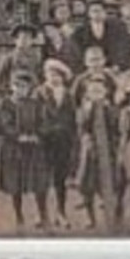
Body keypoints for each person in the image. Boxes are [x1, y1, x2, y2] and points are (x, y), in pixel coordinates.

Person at [0, 69, 52, 230]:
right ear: (12, 87)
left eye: (24, 86)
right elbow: (4, 124)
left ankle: (43, 216)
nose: (20, 89)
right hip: (14, 150)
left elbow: (44, 122)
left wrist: (39, 135)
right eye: (17, 85)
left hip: (35, 148)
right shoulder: (7, 104)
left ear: (30, 88)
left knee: (39, 184)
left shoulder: (37, 104)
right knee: (16, 184)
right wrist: (17, 136)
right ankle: (19, 217)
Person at [73, 70, 122, 229]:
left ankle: (111, 215)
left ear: (106, 92)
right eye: (93, 91)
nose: (97, 93)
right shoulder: (84, 109)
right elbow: (81, 127)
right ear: (87, 93)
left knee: (108, 184)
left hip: (108, 153)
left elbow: (116, 127)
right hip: (89, 153)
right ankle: (90, 217)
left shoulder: (111, 109)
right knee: (87, 186)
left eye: (100, 90)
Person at [39, 59, 78, 227]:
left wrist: (71, 136)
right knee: (41, 178)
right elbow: (34, 116)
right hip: (44, 140)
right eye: (50, 74)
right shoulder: (39, 92)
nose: (54, 78)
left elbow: (72, 118)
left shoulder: (68, 94)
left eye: (58, 75)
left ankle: (61, 212)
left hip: (63, 141)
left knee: (60, 178)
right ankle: (42, 214)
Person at [74, 0, 130, 71]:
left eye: (100, 10)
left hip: (115, 67)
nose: (97, 14)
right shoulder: (80, 32)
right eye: (94, 11)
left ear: (104, 12)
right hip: (90, 68)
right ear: (88, 14)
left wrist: (117, 66)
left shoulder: (118, 27)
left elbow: (123, 47)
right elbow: (78, 52)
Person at [0, 22, 46, 96]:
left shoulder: (37, 58)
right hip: (14, 95)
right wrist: (7, 92)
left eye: (28, 38)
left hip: (32, 95)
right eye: (21, 38)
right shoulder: (9, 58)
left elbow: (41, 79)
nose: (24, 41)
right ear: (16, 40)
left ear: (32, 41)